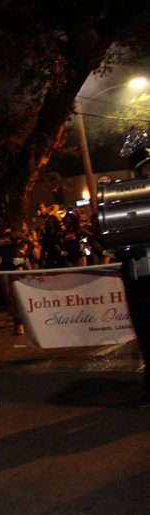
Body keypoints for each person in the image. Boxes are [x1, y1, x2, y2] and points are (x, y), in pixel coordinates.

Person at [118, 125, 150, 406]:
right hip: (138, 274)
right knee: (145, 327)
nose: (147, 173)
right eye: (144, 170)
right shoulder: (128, 198)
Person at [0, 212, 33, 335]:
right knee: (8, 297)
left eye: (1, 221)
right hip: (3, 269)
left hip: (15, 267)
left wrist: (23, 258)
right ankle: (17, 323)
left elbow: (31, 244)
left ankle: (21, 321)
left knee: (16, 295)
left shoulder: (14, 234)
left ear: (6, 222)